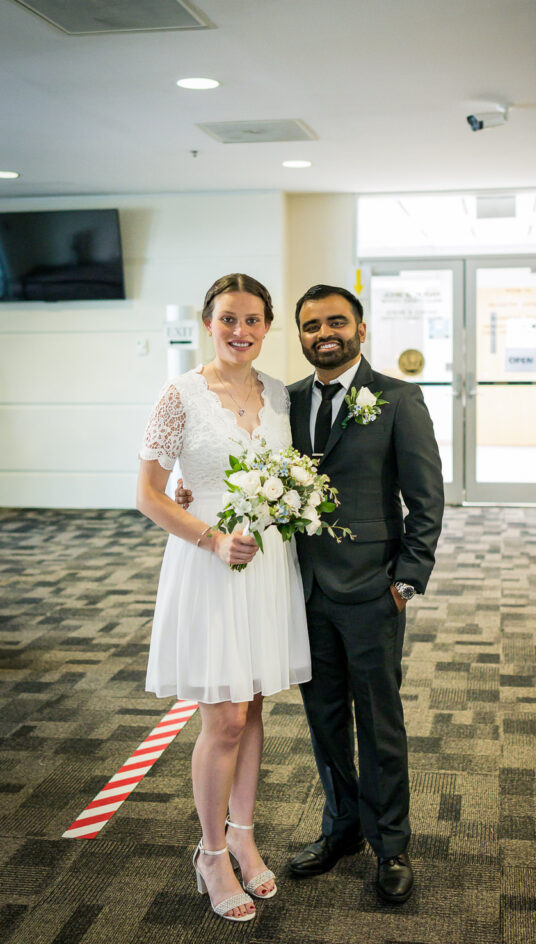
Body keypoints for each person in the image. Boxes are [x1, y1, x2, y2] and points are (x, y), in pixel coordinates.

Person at [178, 283, 444, 904]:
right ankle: (341, 828)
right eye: (311, 326)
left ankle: (391, 843)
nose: (324, 334)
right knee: (324, 721)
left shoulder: (398, 399)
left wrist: (407, 580)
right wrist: (194, 493)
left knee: (379, 722)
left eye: (336, 323)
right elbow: (238, 463)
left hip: (375, 588)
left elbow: (426, 500)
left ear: (360, 328)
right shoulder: (283, 399)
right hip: (298, 587)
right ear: (296, 334)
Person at [137, 273, 310, 924]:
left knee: (255, 703)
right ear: (209, 322)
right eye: (228, 318)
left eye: (254, 320)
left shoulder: (277, 394)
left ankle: (243, 832)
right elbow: (149, 493)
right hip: (210, 564)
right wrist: (209, 537)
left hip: (267, 562)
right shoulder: (179, 393)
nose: (241, 331)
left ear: (268, 327)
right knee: (225, 719)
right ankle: (210, 853)